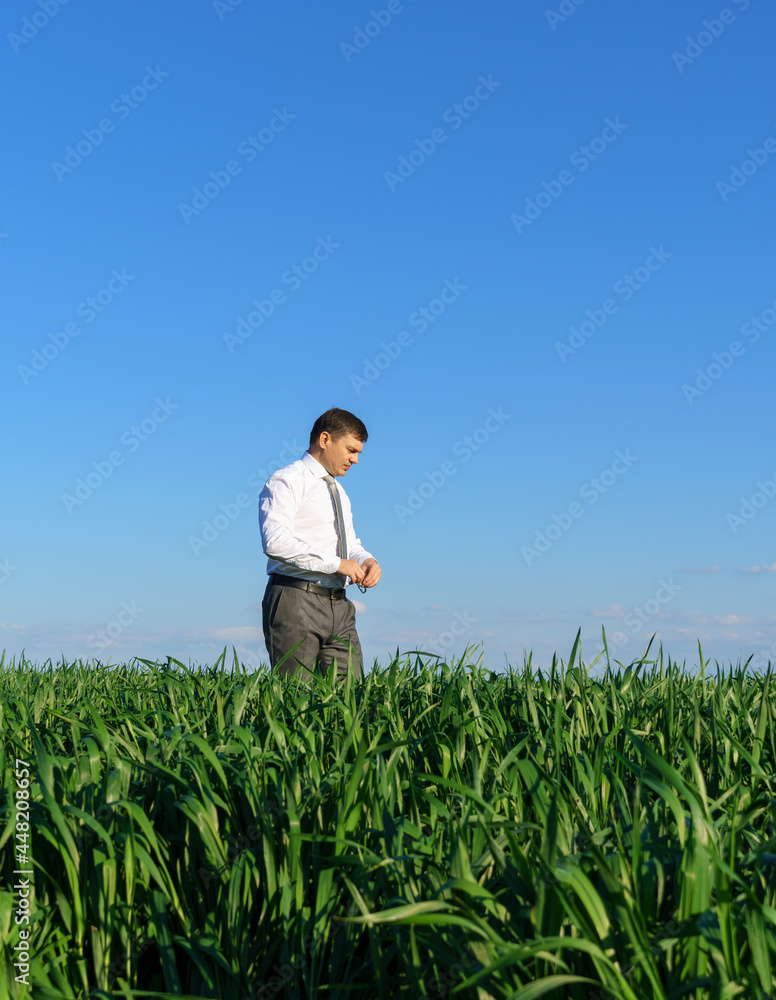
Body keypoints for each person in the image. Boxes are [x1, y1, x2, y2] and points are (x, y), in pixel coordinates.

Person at [258, 408, 381, 679]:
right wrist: (338, 564)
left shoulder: (339, 492)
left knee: (352, 698)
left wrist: (366, 560)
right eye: (351, 450)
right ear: (325, 440)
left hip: (340, 605)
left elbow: (348, 543)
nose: (356, 459)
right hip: (295, 599)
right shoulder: (286, 480)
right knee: (295, 699)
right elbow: (275, 542)